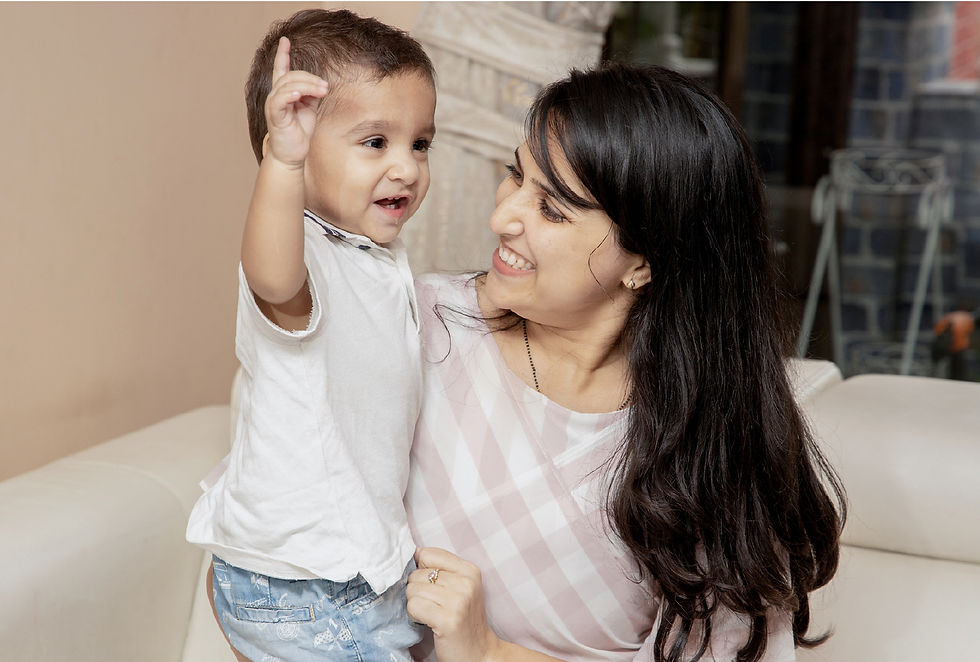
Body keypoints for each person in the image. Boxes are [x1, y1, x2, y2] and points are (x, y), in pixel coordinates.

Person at [400, 63, 844, 662]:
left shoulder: (709, 450)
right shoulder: (418, 326)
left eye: (553, 209)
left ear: (646, 258)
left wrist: (489, 653)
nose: (502, 217)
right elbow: (263, 550)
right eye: (515, 175)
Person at [185, 9, 436, 661]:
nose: (407, 168)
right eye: (375, 142)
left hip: (347, 571)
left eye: (420, 143)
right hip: (301, 585)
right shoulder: (306, 256)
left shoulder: (375, 258)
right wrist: (281, 163)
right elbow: (272, 279)